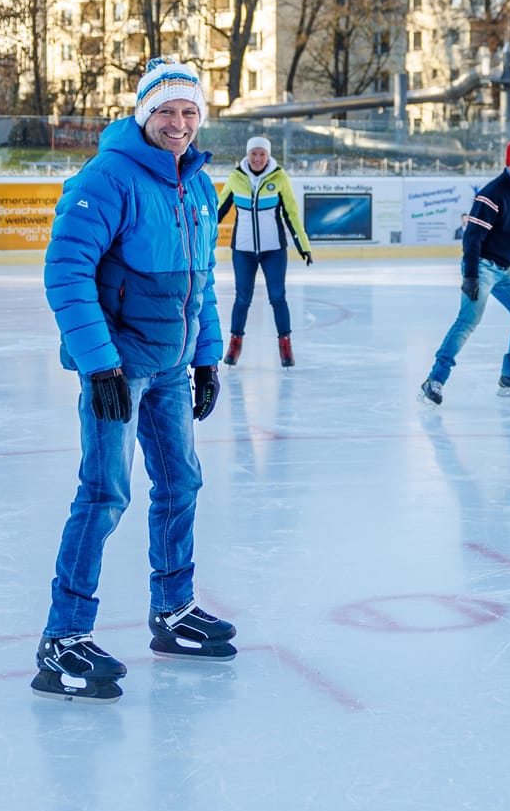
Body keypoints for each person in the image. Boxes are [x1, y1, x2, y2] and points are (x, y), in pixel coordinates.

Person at [33, 58, 236, 703]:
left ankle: (173, 611)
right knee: (105, 494)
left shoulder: (196, 185)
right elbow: (65, 273)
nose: (179, 124)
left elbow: (199, 282)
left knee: (181, 481)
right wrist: (100, 365)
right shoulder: (108, 177)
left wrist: (206, 358)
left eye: (189, 113)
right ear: (144, 115)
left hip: (172, 365)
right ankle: (62, 639)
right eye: (167, 112)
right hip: (119, 368)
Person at [418, 139, 510, 406]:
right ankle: (435, 380)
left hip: (503, 269)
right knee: (468, 320)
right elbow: (472, 238)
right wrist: (471, 276)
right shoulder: (493, 194)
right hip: (482, 266)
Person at [221, 134, 313, 368]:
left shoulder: (280, 178)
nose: (258, 158)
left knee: (277, 297)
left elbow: (291, 214)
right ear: (247, 154)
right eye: (254, 153)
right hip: (243, 250)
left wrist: (303, 246)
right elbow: (217, 212)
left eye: (262, 154)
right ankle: (235, 343)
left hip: (274, 250)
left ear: (268, 156)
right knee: (242, 299)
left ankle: (285, 346)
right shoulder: (236, 177)